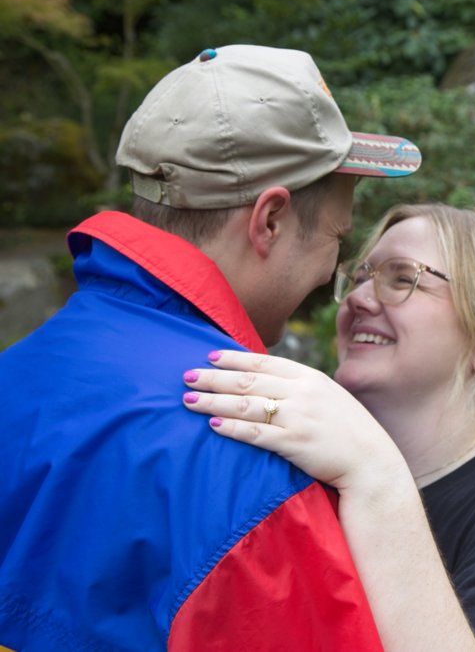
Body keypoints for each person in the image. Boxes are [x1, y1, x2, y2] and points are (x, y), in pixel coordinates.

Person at [0, 44, 425, 651]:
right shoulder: (250, 468)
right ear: (269, 221)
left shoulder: (20, 370)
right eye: (336, 236)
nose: (333, 278)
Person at [179, 186, 475, 650]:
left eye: (402, 279)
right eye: (359, 277)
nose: (358, 299)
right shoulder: (316, 477)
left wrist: (378, 475)